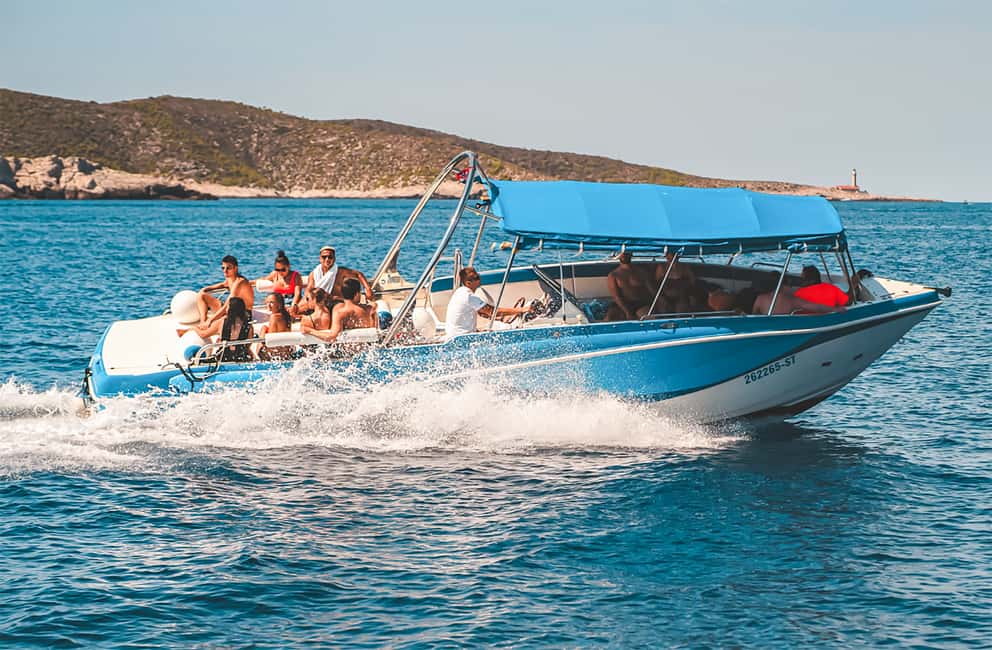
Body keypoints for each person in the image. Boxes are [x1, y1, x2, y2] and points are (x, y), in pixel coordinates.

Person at [444, 267, 533, 338]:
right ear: (468, 283)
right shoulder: (469, 297)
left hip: (456, 334)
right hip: (462, 337)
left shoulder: (460, 292)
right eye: (476, 278)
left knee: (495, 325)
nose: (479, 279)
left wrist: (503, 318)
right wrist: (522, 310)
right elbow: (493, 312)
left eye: (478, 276)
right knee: (506, 327)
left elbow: (482, 313)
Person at [193, 255, 255, 339]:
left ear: (235, 268)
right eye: (223, 268)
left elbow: (227, 304)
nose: (225, 271)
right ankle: (203, 321)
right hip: (231, 309)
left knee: (217, 321)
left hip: (242, 313)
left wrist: (210, 320)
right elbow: (223, 284)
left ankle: (205, 326)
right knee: (201, 295)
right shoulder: (230, 278)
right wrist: (206, 289)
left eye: (228, 268)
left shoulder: (240, 282)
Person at [302, 278, 379, 342]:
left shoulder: (339, 311)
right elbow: (375, 331)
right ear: (356, 294)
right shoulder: (370, 309)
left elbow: (332, 337)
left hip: (348, 351)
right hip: (367, 348)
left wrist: (310, 331)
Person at [751, 276, 845, 315]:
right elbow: (816, 307)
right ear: (782, 286)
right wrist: (834, 309)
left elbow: (753, 315)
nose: (791, 287)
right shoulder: (791, 300)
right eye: (789, 285)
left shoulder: (760, 299)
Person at [605, 251, 657, 321]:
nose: (624, 256)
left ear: (631, 254)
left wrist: (659, 301)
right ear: (619, 256)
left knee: (649, 318)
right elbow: (617, 296)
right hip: (622, 305)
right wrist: (627, 311)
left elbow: (652, 290)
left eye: (627, 253)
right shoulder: (613, 275)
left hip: (640, 304)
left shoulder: (641, 272)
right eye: (622, 254)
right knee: (609, 318)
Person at [254, 250, 303, 316]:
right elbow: (263, 279)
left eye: (283, 269)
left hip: (291, 302)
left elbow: (297, 293)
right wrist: (248, 282)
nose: (280, 272)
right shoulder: (275, 274)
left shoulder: (296, 276)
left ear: (288, 266)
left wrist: (293, 305)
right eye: (277, 269)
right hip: (278, 304)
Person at [253, 293, 292, 360]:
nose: (268, 305)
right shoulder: (285, 315)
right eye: (267, 302)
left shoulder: (274, 317)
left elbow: (271, 338)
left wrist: (263, 332)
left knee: (263, 328)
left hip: (276, 354)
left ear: (279, 304)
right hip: (285, 352)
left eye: (271, 302)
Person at [218, 297, 255, 362]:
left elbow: (220, 339)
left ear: (231, 309)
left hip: (224, 356)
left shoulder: (223, 322)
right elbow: (248, 345)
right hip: (240, 357)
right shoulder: (248, 326)